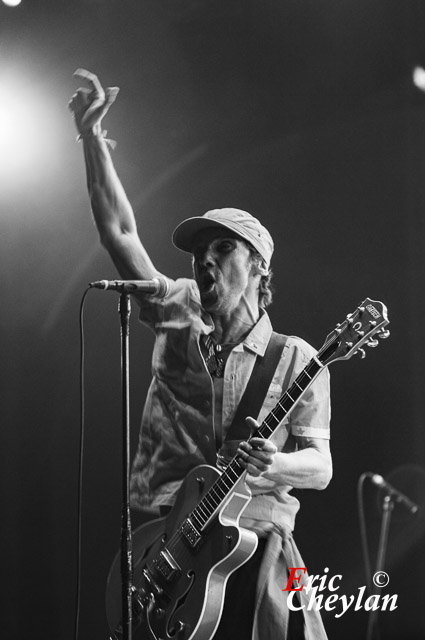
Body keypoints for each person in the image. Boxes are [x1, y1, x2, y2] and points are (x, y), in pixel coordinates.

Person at [69, 69, 333, 640]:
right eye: (197, 253)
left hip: (254, 545)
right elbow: (119, 231)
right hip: (161, 549)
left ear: (259, 265)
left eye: (223, 248)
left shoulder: (296, 359)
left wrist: (276, 464)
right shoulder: (175, 308)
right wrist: (92, 141)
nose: (204, 260)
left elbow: (321, 467)